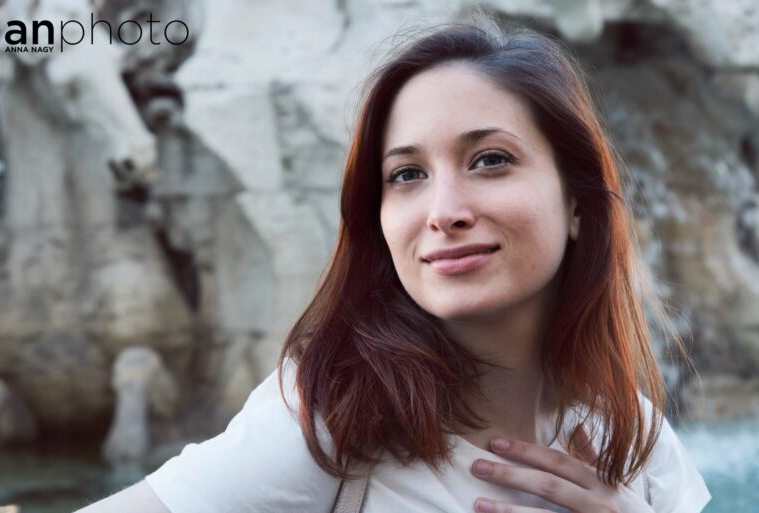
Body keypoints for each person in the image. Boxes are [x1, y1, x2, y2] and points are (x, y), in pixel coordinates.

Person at [75, 13, 712, 513]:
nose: (443, 210)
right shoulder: (325, 427)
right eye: (406, 174)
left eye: (490, 160)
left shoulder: (635, 439)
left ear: (577, 203)